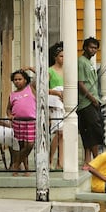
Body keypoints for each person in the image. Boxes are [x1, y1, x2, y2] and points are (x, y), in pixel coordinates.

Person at [77, 37, 105, 165]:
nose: (93, 50)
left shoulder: (90, 63)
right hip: (86, 102)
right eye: (91, 47)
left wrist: (96, 99)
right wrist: (91, 98)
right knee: (92, 130)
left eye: (95, 48)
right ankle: (96, 159)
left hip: (95, 100)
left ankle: (88, 160)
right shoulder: (81, 62)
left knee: (94, 130)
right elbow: (80, 83)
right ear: (85, 47)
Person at [6, 68, 36, 176]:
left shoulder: (31, 88)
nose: (17, 81)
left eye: (20, 79)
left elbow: (42, 75)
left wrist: (29, 69)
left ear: (25, 80)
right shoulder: (12, 95)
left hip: (31, 121)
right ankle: (26, 168)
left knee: (30, 144)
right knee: (21, 145)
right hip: (18, 122)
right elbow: (8, 109)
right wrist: (10, 115)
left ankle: (16, 163)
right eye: (15, 80)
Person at [48, 42, 64, 170]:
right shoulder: (50, 71)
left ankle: (60, 161)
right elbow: (43, 88)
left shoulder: (68, 70)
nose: (63, 59)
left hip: (65, 103)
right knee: (58, 132)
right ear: (55, 57)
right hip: (54, 102)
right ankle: (50, 159)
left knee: (63, 134)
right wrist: (56, 92)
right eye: (61, 56)